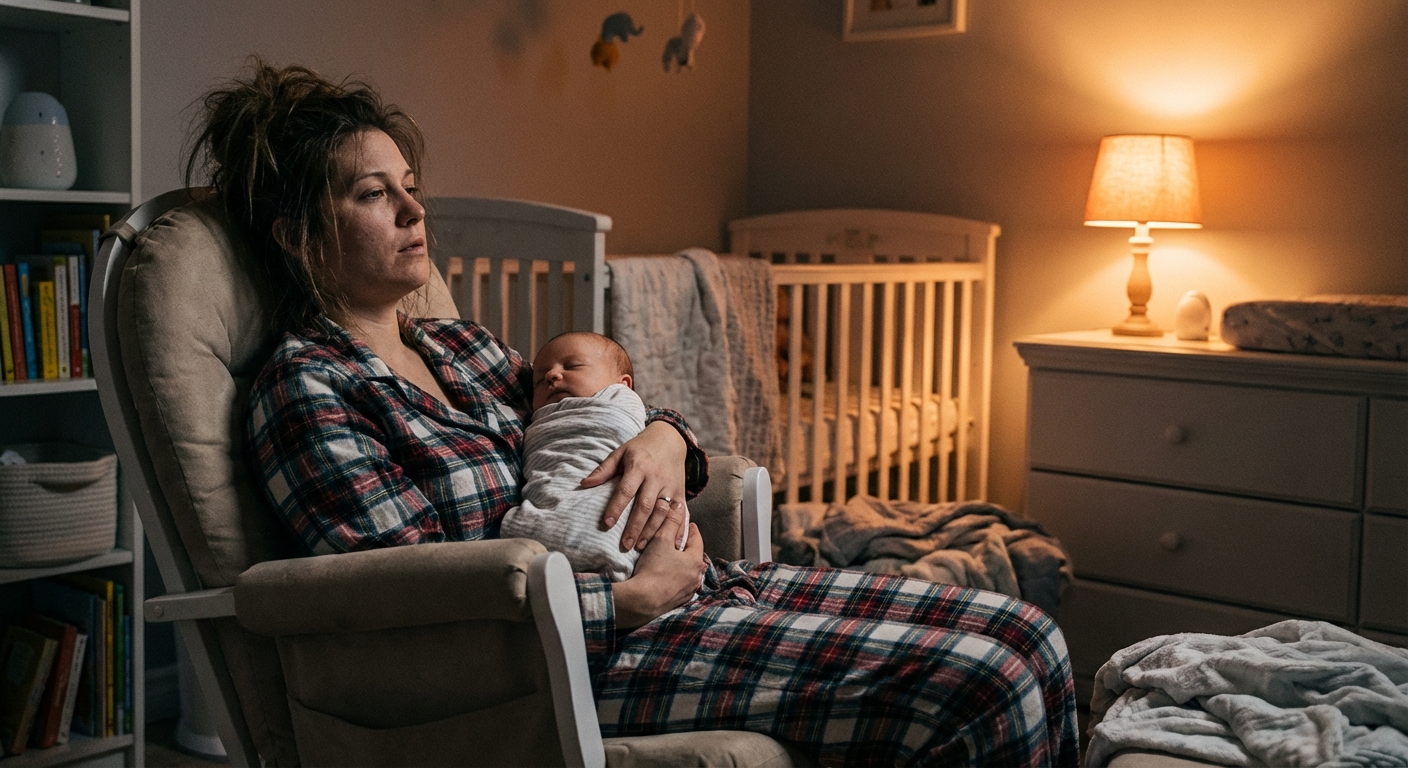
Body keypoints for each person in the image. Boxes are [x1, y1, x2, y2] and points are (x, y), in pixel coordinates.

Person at [208, 60, 1078, 766]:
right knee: (982, 680)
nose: (414, 209)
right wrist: (624, 602)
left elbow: (599, 410)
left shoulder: (461, 349)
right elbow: (408, 606)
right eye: (373, 193)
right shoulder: (308, 388)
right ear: (295, 233)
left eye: (410, 183)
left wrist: (667, 437)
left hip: (685, 596)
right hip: (572, 659)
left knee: (1028, 634)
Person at [502, 331, 681, 581]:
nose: (552, 376)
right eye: (539, 381)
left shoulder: (621, 401)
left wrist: (669, 435)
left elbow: (663, 422)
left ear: (623, 385)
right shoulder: (537, 419)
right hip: (549, 503)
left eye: (572, 366)